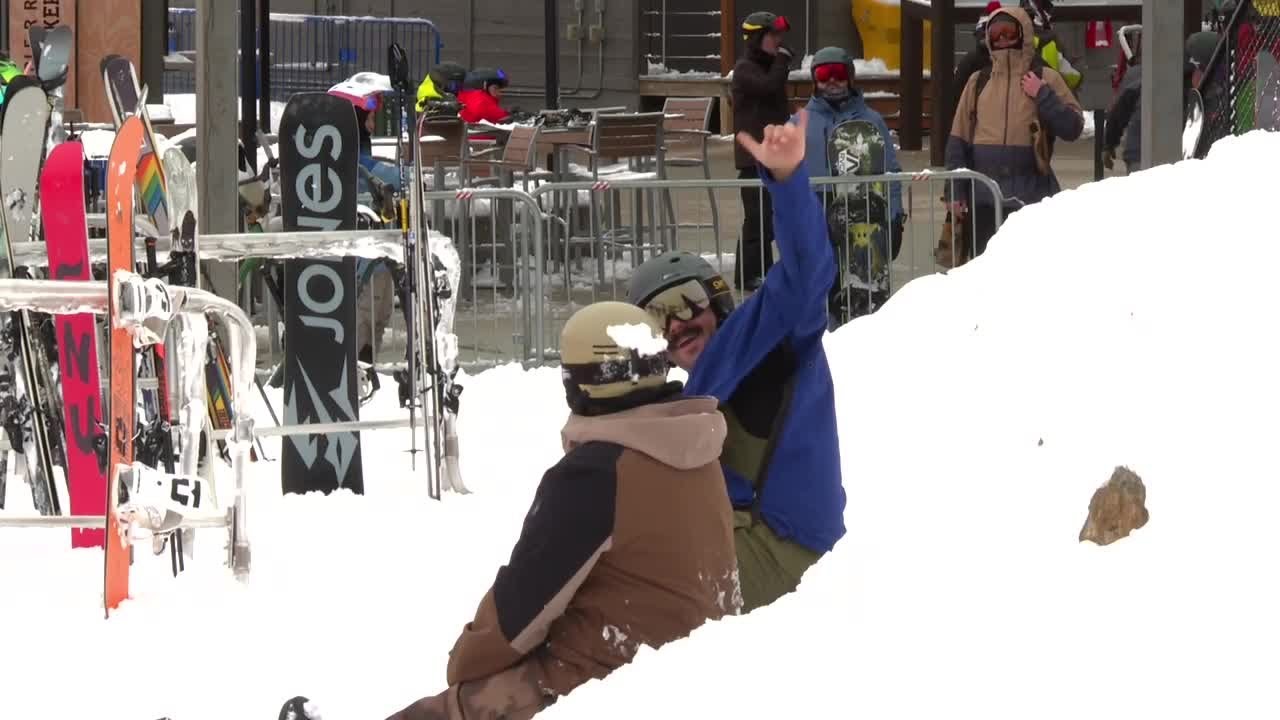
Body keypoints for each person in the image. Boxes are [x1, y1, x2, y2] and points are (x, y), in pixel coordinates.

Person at [384, 301, 741, 720]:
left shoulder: (598, 473)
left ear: (578, 384)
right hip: (706, 662)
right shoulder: (694, 444)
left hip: (623, 669)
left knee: (455, 711)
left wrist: (464, 664)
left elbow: (523, 607)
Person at [627, 110, 845, 614]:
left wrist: (789, 180)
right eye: (655, 319)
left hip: (786, 551)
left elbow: (808, 271)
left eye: (683, 302)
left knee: (630, 603)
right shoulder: (688, 393)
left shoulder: (765, 338)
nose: (675, 324)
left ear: (718, 300)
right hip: (745, 541)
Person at [945, 6, 1083, 260]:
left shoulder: (1045, 78)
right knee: (982, 279)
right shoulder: (978, 82)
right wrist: (955, 191)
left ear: (1024, 34)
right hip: (984, 202)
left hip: (1030, 200)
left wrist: (1042, 94)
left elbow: (1073, 127)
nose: (1002, 40)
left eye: (1009, 32)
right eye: (995, 34)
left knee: (1026, 277)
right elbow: (958, 141)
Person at [731, 10, 795, 291]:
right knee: (757, 218)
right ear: (757, 38)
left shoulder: (769, 67)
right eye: (773, 36)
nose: (779, 42)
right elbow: (768, 88)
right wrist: (782, 61)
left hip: (774, 155)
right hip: (752, 157)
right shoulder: (746, 69)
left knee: (769, 218)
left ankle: (760, 272)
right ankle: (748, 276)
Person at [1020, 0, 1083, 91]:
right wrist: (1079, 75)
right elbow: (1071, 77)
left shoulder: (1015, 38)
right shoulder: (1049, 40)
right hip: (1050, 95)